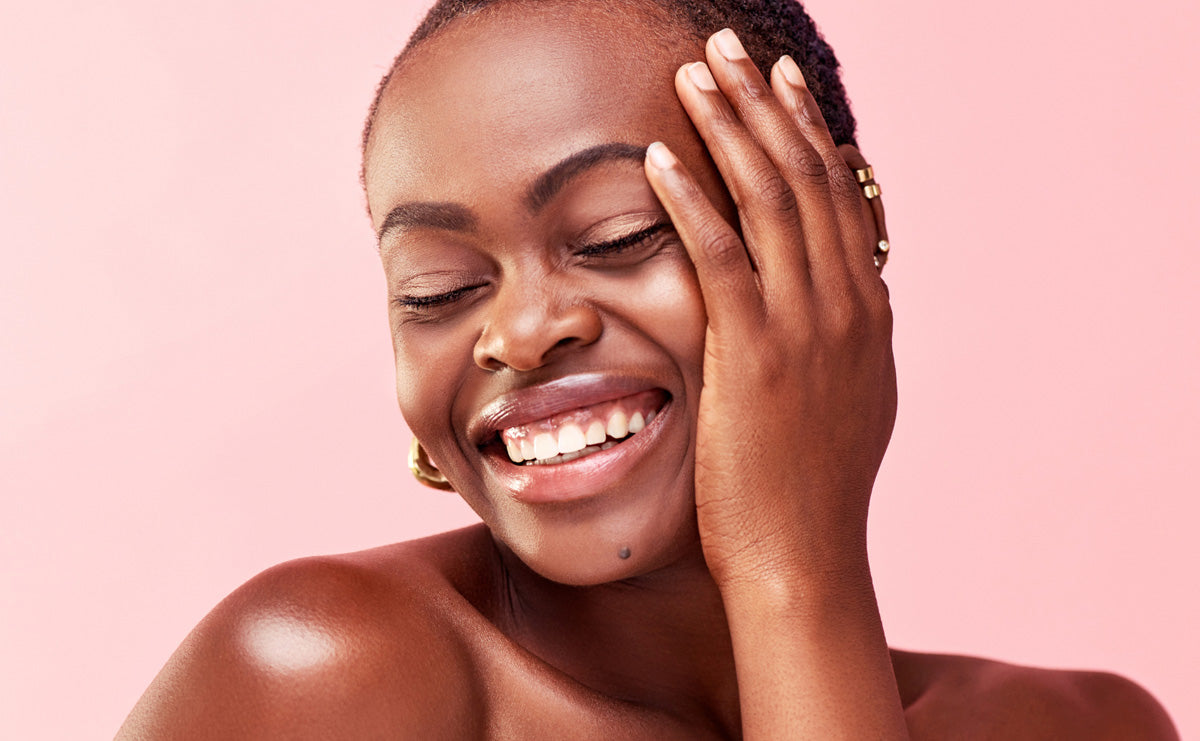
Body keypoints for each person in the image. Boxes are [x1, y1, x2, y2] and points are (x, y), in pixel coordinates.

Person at [116, 0, 1180, 738]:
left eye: (619, 234)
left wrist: (793, 580)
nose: (519, 334)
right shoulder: (324, 676)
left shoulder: (1082, 730)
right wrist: (786, 569)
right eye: (436, 289)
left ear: (845, 231)